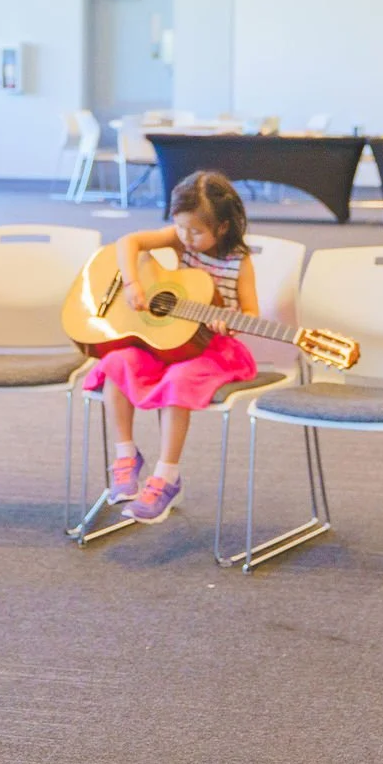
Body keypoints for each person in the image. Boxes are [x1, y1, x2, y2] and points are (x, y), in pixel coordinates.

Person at [88, 171, 260, 524]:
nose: (186, 237)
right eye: (180, 227)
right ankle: (126, 455)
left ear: (223, 227)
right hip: (169, 340)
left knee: (179, 380)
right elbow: (128, 243)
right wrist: (133, 284)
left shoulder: (239, 262)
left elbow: (252, 313)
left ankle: (166, 476)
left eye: (195, 231)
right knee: (118, 361)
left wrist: (231, 320)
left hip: (214, 349)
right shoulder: (179, 239)